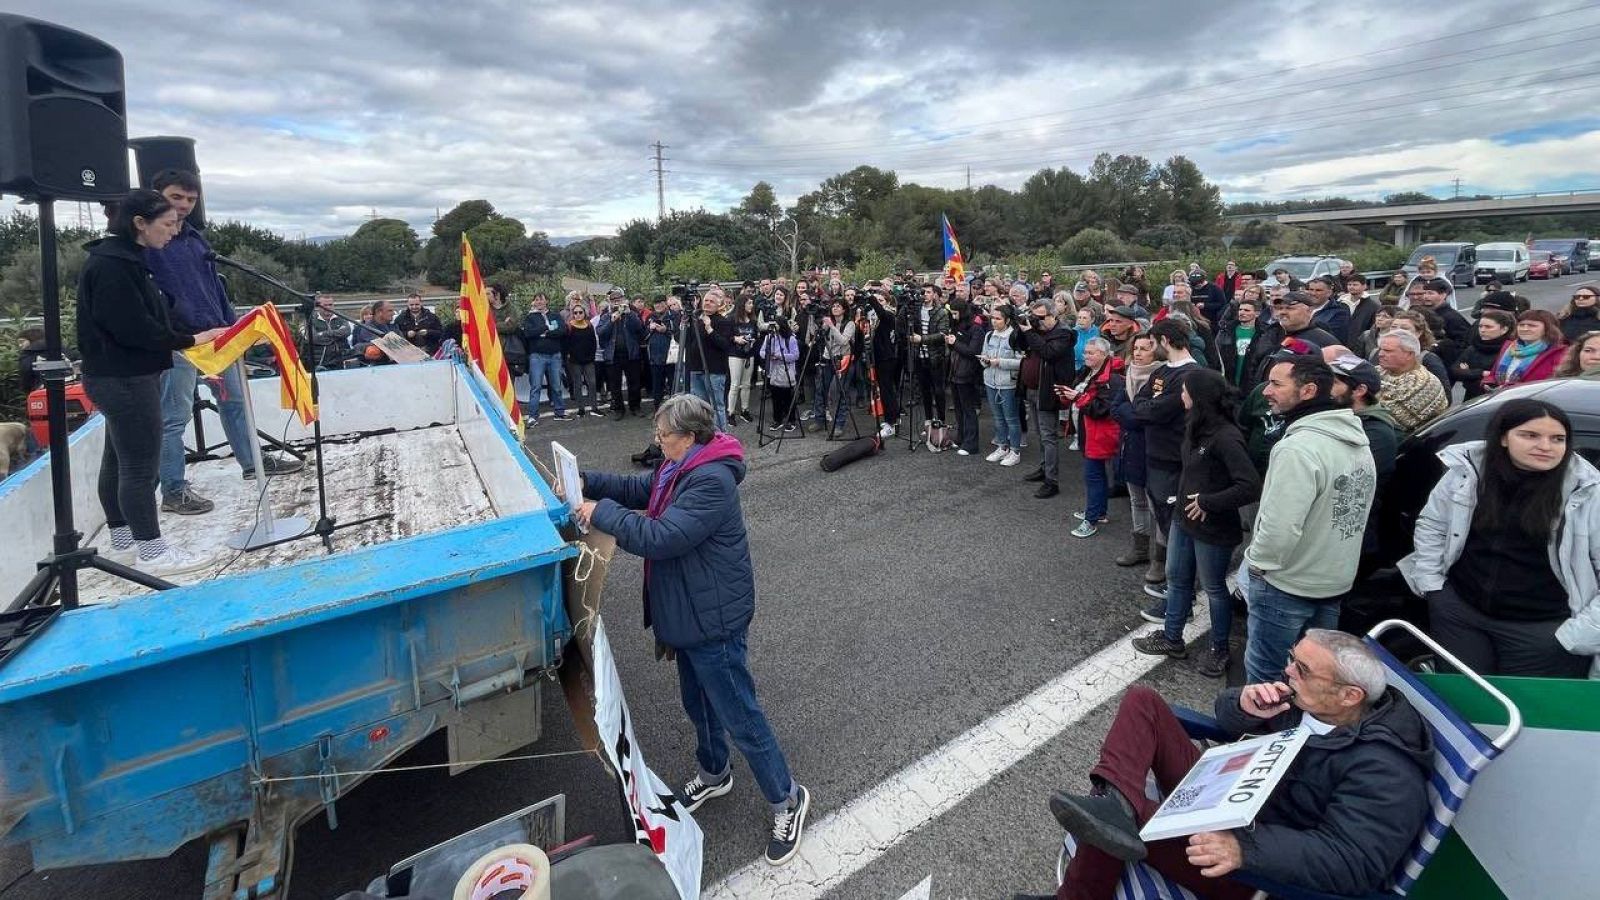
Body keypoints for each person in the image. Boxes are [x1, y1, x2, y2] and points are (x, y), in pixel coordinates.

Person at [573, 394, 812, 864]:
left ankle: (787, 798)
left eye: (663, 436)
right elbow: (640, 489)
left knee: (739, 713)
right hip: (687, 610)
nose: (657, 443)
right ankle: (714, 770)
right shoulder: (679, 465)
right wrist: (587, 482)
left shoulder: (710, 480)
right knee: (696, 701)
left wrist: (597, 512)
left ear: (690, 436)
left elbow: (660, 538)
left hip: (713, 616)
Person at [1020, 630, 1431, 900]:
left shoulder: (1387, 770)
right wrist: (1243, 706)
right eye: (1293, 659)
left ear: (1349, 696)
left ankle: (1082, 882)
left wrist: (1244, 849)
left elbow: (1352, 861)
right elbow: (1226, 718)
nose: (1288, 671)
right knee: (1143, 703)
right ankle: (1116, 804)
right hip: (1224, 795)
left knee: (1137, 819)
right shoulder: (1307, 700)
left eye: (1302, 670)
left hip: (1252, 868)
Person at [75, 189, 227, 574]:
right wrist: (191, 339)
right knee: (141, 468)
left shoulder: (124, 260)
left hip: (119, 376)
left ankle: (124, 540)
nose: (174, 232)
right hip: (125, 378)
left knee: (119, 459)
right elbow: (134, 329)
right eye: (168, 224)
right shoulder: (113, 267)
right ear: (139, 223)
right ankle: (152, 551)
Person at [1400, 399, 1600, 678]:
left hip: (1541, 631)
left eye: (1558, 439)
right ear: (1504, 437)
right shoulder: (1469, 473)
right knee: (1465, 704)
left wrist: (1573, 636)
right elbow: (1433, 525)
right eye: (1530, 435)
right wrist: (1434, 588)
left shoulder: (1588, 493)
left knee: (1530, 714)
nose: (1545, 446)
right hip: (1461, 615)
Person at [145, 170, 301, 518]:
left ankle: (253, 463)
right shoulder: (150, 243)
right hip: (180, 342)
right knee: (174, 417)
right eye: (176, 198)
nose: (184, 206)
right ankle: (173, 490)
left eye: (191, 199)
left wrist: (232, 326)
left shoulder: (196, 239)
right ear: (157, 196)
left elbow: (214, 285)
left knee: (235, 402)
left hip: (219, 335)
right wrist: (177, 327)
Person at [1241, 355, 1376, 684]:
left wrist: (1258, 563)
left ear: (1308, 391)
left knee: (1267, 678)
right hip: (1334, 580)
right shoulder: (1357, 439)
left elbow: (1280, 526)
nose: (1266, 392)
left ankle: (1262, 733)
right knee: (1313, 679)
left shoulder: (1299, 448)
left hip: (1288, 584)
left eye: (1276, 383)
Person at [1133, 368, 1260, 676]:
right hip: (1183, 519)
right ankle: (1172, 637)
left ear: (1199, 397)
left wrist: (1208, 502)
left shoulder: (1227, 436)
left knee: (1214, 588)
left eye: (1186, 391)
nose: (1181, 396)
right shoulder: (1195, 425)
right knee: (1176, 578)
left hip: (1213, 527)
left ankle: (1219, 648)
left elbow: (1250, 485)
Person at [1133, 320, 1204, 602]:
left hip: (1175, 459)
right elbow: (1141, 402)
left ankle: (1182, 585)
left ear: (1163, 340)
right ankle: (1170, 575)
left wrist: (1147, 407)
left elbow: (1155, 410)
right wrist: (1146, 407)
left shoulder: (1192, 374)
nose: (1148, 349)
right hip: (1154, 455)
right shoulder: (1162, 371)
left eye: (1151, 344)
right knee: (1160, 515)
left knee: (1175, 520)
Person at [1061, 338, 1124, 537]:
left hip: (1100, 433)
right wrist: (1068, 395)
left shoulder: (1111, 379)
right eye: (1086, 352)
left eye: (1091, 353)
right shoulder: (1089, 372)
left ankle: (1092, 518)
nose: (1085, 356)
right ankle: (1098, 511)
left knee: (1093, 476)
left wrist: (1077, 398)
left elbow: (1101, 410)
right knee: (1096, 475)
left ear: (1104, 355)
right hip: (1089, 430)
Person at [1111, 334, 1161, 568]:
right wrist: (1134, 416)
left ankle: (1161, 557)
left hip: (1154, 448)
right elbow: (1116, 407)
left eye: (1145, 349)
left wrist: (1131, 415)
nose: (1138, 353)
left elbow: (1151, 415)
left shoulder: (1162, 376)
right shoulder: (1129, 375)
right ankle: (1140, 547)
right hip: (1131, 445)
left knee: (1156, 503)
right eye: (1136, 348)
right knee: (1136, 500)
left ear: (1157, 352)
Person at [1018, 299, 1076, 499]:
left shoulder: (1064, 333)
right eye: (1035, 317)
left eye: (1041, 318)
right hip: (1032, 389)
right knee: (1039, 433)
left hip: (1047, 391)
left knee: (1048, 436)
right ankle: (1044, 468)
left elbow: (1048, 353)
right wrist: (1021, 327)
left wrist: (1029, 332)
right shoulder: (1037, 331)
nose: (1038, 322)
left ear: (1054, 315)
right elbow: (1016, 344)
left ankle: (1052, 481)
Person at [1376, 331, 1447, 434]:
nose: (1380, 354)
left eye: (1388, 351)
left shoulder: (1421, 382)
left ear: (1409, 354)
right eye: (1380, 349)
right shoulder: (1379, 370)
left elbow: (1385, 420)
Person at [980, 305, 1024, 466]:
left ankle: (1015, 450)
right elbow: (984, 353)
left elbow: (1021, 362)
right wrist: (984, 360)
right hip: (990, 381)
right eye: (992, 318)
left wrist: (1000, 362)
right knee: (998, 417)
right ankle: (1002, 446)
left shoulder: (1015, 336)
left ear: (1007, 320)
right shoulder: (989, 335)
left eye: (998, 318)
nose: (994, 321)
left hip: (1008, 383)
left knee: (1011, 418)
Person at [687, 291, 736, 432]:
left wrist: (709, 328)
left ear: (719, 305)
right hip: (696, 368)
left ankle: (721, 434)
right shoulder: (696, 320)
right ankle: (705, 434)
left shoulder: (723, 322)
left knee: (717, 405)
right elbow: (685, 340)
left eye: (711, 301)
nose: (707, 303)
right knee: (700, 406)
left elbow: (725, 345)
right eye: (706, 300)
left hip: (714, 370)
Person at [1482, 310, 1566, 391]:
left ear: (1548, 329)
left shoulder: (1559, 352)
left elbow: (1554, 384)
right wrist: (1489, 383)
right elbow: (1493, 374)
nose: (1525, 329)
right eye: (1521, 325)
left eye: (1532, 325)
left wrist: (1508, 387)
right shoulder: (1509, 348)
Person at [522, 293, 570, 423]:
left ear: (546, 301)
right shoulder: (530, 317)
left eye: (541, 299)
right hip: (537, 356)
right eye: (536, 300)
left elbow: (562, 331)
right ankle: (533, 416)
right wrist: (545, 327)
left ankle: (560, 412)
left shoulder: (555, 315)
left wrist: (545, 333)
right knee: (535, 387)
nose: (539, 302)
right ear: (533, 302)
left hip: (555, 355)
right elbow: (528, 333)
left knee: (556, 385)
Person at [948, 296, 987, 456]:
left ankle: (971, 444)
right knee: (958, 408)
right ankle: (961, 437)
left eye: (955, 313)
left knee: (968, 409)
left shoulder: (975, 328)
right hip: (955, 371)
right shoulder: (958, 324)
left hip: (967, 373)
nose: (953, 316)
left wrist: (954, 343)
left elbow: (973, 352)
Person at [909, 284, 951, 425]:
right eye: (923, 292)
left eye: (928, 292)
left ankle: (941, 420)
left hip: (936, 357)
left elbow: (942, 334)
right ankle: (928, 419)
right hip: (920, 356)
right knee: (924, 390)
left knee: (938, 391)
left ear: (934, 295)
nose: (925, 294)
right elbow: (903, 322)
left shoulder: (942, 312)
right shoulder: (916, 310)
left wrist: (922, 339)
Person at [600, 296, 648, 420]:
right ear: (610, 301)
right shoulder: (606, 315)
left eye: (619, 299)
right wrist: (611, 321)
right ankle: (618, 409)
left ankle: (635, 407)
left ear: (623, 300)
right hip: (613, 355)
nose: (616, 301)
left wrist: (630, 314)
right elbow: (600, 332)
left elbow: (640, 328)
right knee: (615, 385)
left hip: (631, 353)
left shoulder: (631, 313)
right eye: (613, 299)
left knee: (634, 383)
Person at [1386, 310, 1451, 393]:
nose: (1397, 331)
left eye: (1405, 328)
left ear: (1418, 333)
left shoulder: (1428, 359)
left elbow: (1445, 394)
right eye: (1394, 327)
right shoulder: (1380, 354)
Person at [1454, 310, 1514, 401]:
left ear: (1504, 329)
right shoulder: (1473, 348)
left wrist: (1469, 374)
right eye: (1480, 326)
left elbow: (1499, 379)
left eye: (1488, 327)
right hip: (1471, 398)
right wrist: (1481, 373)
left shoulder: (1510, 349)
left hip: (1498, 399)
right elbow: (1455, 371)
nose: (1482, 330)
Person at [561, 303, 603, 418]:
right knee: (577, 384)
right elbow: (565, 344)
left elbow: (593, 341)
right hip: (574, 361)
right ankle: (581, 409)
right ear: (572, 314)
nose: (578, 315)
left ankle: (594, 407)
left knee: (592, 383)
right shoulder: (569, 326)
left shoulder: (589, 325)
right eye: (575, 313)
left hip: (588, 360)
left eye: (580, 312)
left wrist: (592, 355)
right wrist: (568, 356)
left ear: (584, 313)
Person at [759, 317, 801, 432]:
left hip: (786, 371)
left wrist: (780, 356)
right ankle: (777, 420)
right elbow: (761, 352)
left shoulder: (791, 338)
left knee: (788, 398)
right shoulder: (769, 337)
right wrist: (769, 354)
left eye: (776, 325)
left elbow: (795, 356)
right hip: (773, 371)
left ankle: (791, 420)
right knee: (775, 398)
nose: (774, 328)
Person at [728, 295, 760, 425]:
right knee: (735, 384)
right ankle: (730, 412)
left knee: (746, 384)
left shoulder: (752, 320)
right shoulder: (731, 319)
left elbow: (756, 333)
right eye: (749, 303)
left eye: (752, 303)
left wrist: (753, 340)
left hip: (749, 354)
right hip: (735, 354)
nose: (751, 306)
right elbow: (726, 335)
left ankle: (744, 410)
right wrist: (735, 339)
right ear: (742, 304)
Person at [645, 295, 678, 407]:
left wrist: (665, 330)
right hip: (655, 357)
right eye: (656, 303)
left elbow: (679, 334)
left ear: (666, 304)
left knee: (673, 384)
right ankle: (657, 408)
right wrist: (650, 328)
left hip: (671, 357)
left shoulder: (674, 316)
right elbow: (643, 336)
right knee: (657, 385)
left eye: (661, 303)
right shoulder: (650, 317)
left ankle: (675, 408)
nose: (658, 305)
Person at [488, 285, 527, 378]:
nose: (484, 295)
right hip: (490, 350)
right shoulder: (485, 309)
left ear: (497, 295)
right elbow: (485, 327)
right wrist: (502, 323)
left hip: (509, 352)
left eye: (488, 293)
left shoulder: (512, 309)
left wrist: (493, 325)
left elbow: (511, 327)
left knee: (509, 381)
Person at [16, 326, 45, 394]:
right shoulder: (58, 349)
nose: (20, 345)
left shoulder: (28, 355)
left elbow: (26, 377)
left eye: (22, 341)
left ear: (32, 339)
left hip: (38, 392)